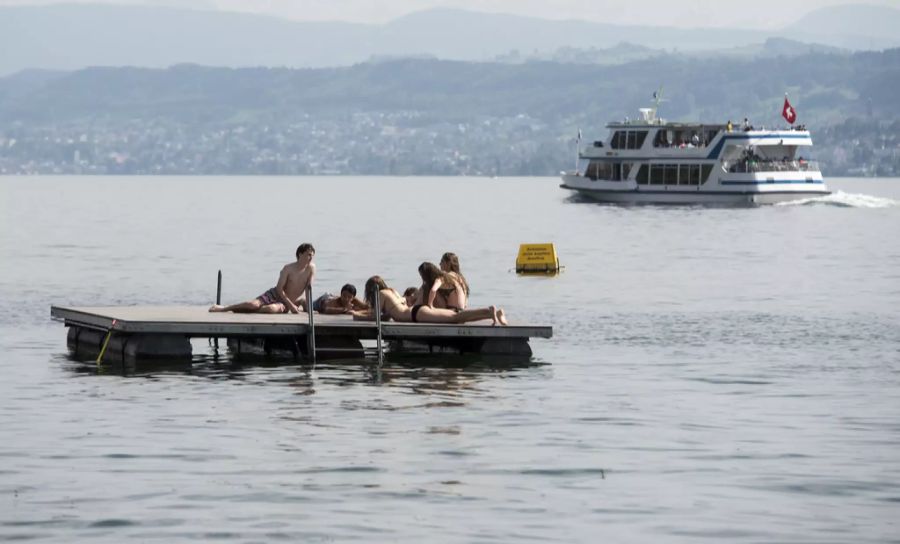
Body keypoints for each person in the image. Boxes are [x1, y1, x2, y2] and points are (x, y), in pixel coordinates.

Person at [353, 276, 507, 325]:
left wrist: (357, 316)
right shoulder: (392, 291)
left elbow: (377, 316)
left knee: (455, 317)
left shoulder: (381, 294)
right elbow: (388, 314)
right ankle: (492, 313)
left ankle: (489, 311)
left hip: (416, 314)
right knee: (455, 317)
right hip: (416, 311)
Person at [209, 243, 316, 314]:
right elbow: (279, 289)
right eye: (308, 255)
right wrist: (291, 305)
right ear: (300, 254)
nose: (311, 258)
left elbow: (308, 289)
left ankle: (249, 311)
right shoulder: (288, 268)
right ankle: (224, 308)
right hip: (275, 294)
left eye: (312, 255)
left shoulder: (311, 268)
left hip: (285, 303)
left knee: (271, 309)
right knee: (253, 305)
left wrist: (308, 309)